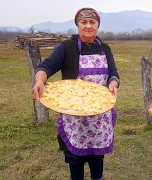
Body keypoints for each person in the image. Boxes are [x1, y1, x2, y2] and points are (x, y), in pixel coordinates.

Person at [31, 7, 120, 180]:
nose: (88, 26)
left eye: (92, 22)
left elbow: (113, 74)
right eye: (83, 22)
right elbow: (45, 67)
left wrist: (113, 83)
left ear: (97, 26)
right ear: (77, 25)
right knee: (75, 160)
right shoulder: (67, 47)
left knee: (97, 158)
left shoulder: (105, 48)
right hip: (74, 118)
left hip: (99, 116)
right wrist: (40, 81)